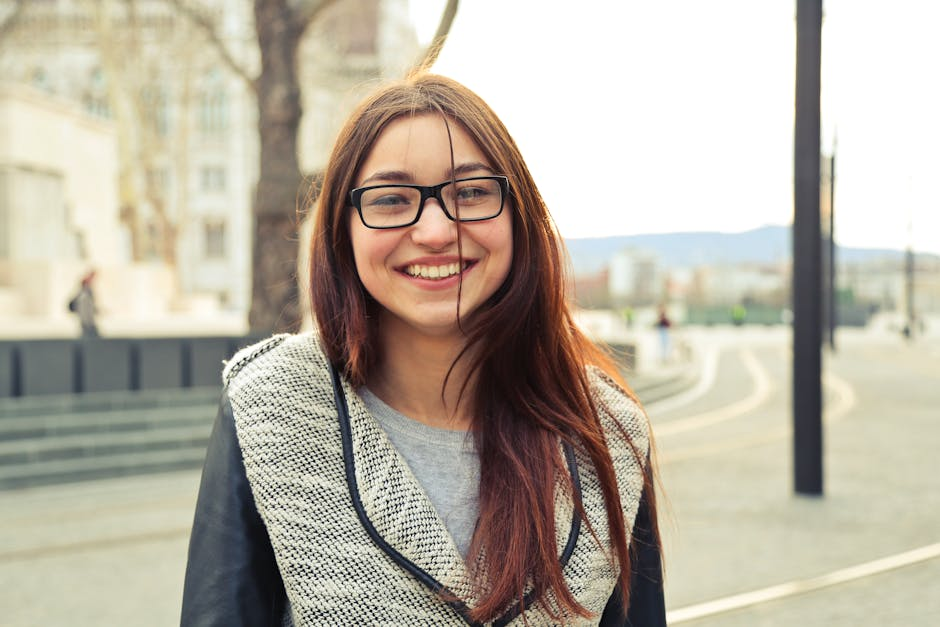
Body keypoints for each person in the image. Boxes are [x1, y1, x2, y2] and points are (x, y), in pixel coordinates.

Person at [181, 73, 664, 626]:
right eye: (390, 199)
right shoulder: (271, 407)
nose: (436, 230)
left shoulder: (606, 434)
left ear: (519, 215)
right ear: (343, 230)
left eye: (472, 192)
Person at [68, 270, 98, 338]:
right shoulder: (84, 296)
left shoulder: (87, 294)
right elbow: (85, 310)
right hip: (87, 323)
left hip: (87, 322)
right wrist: (88, 322)